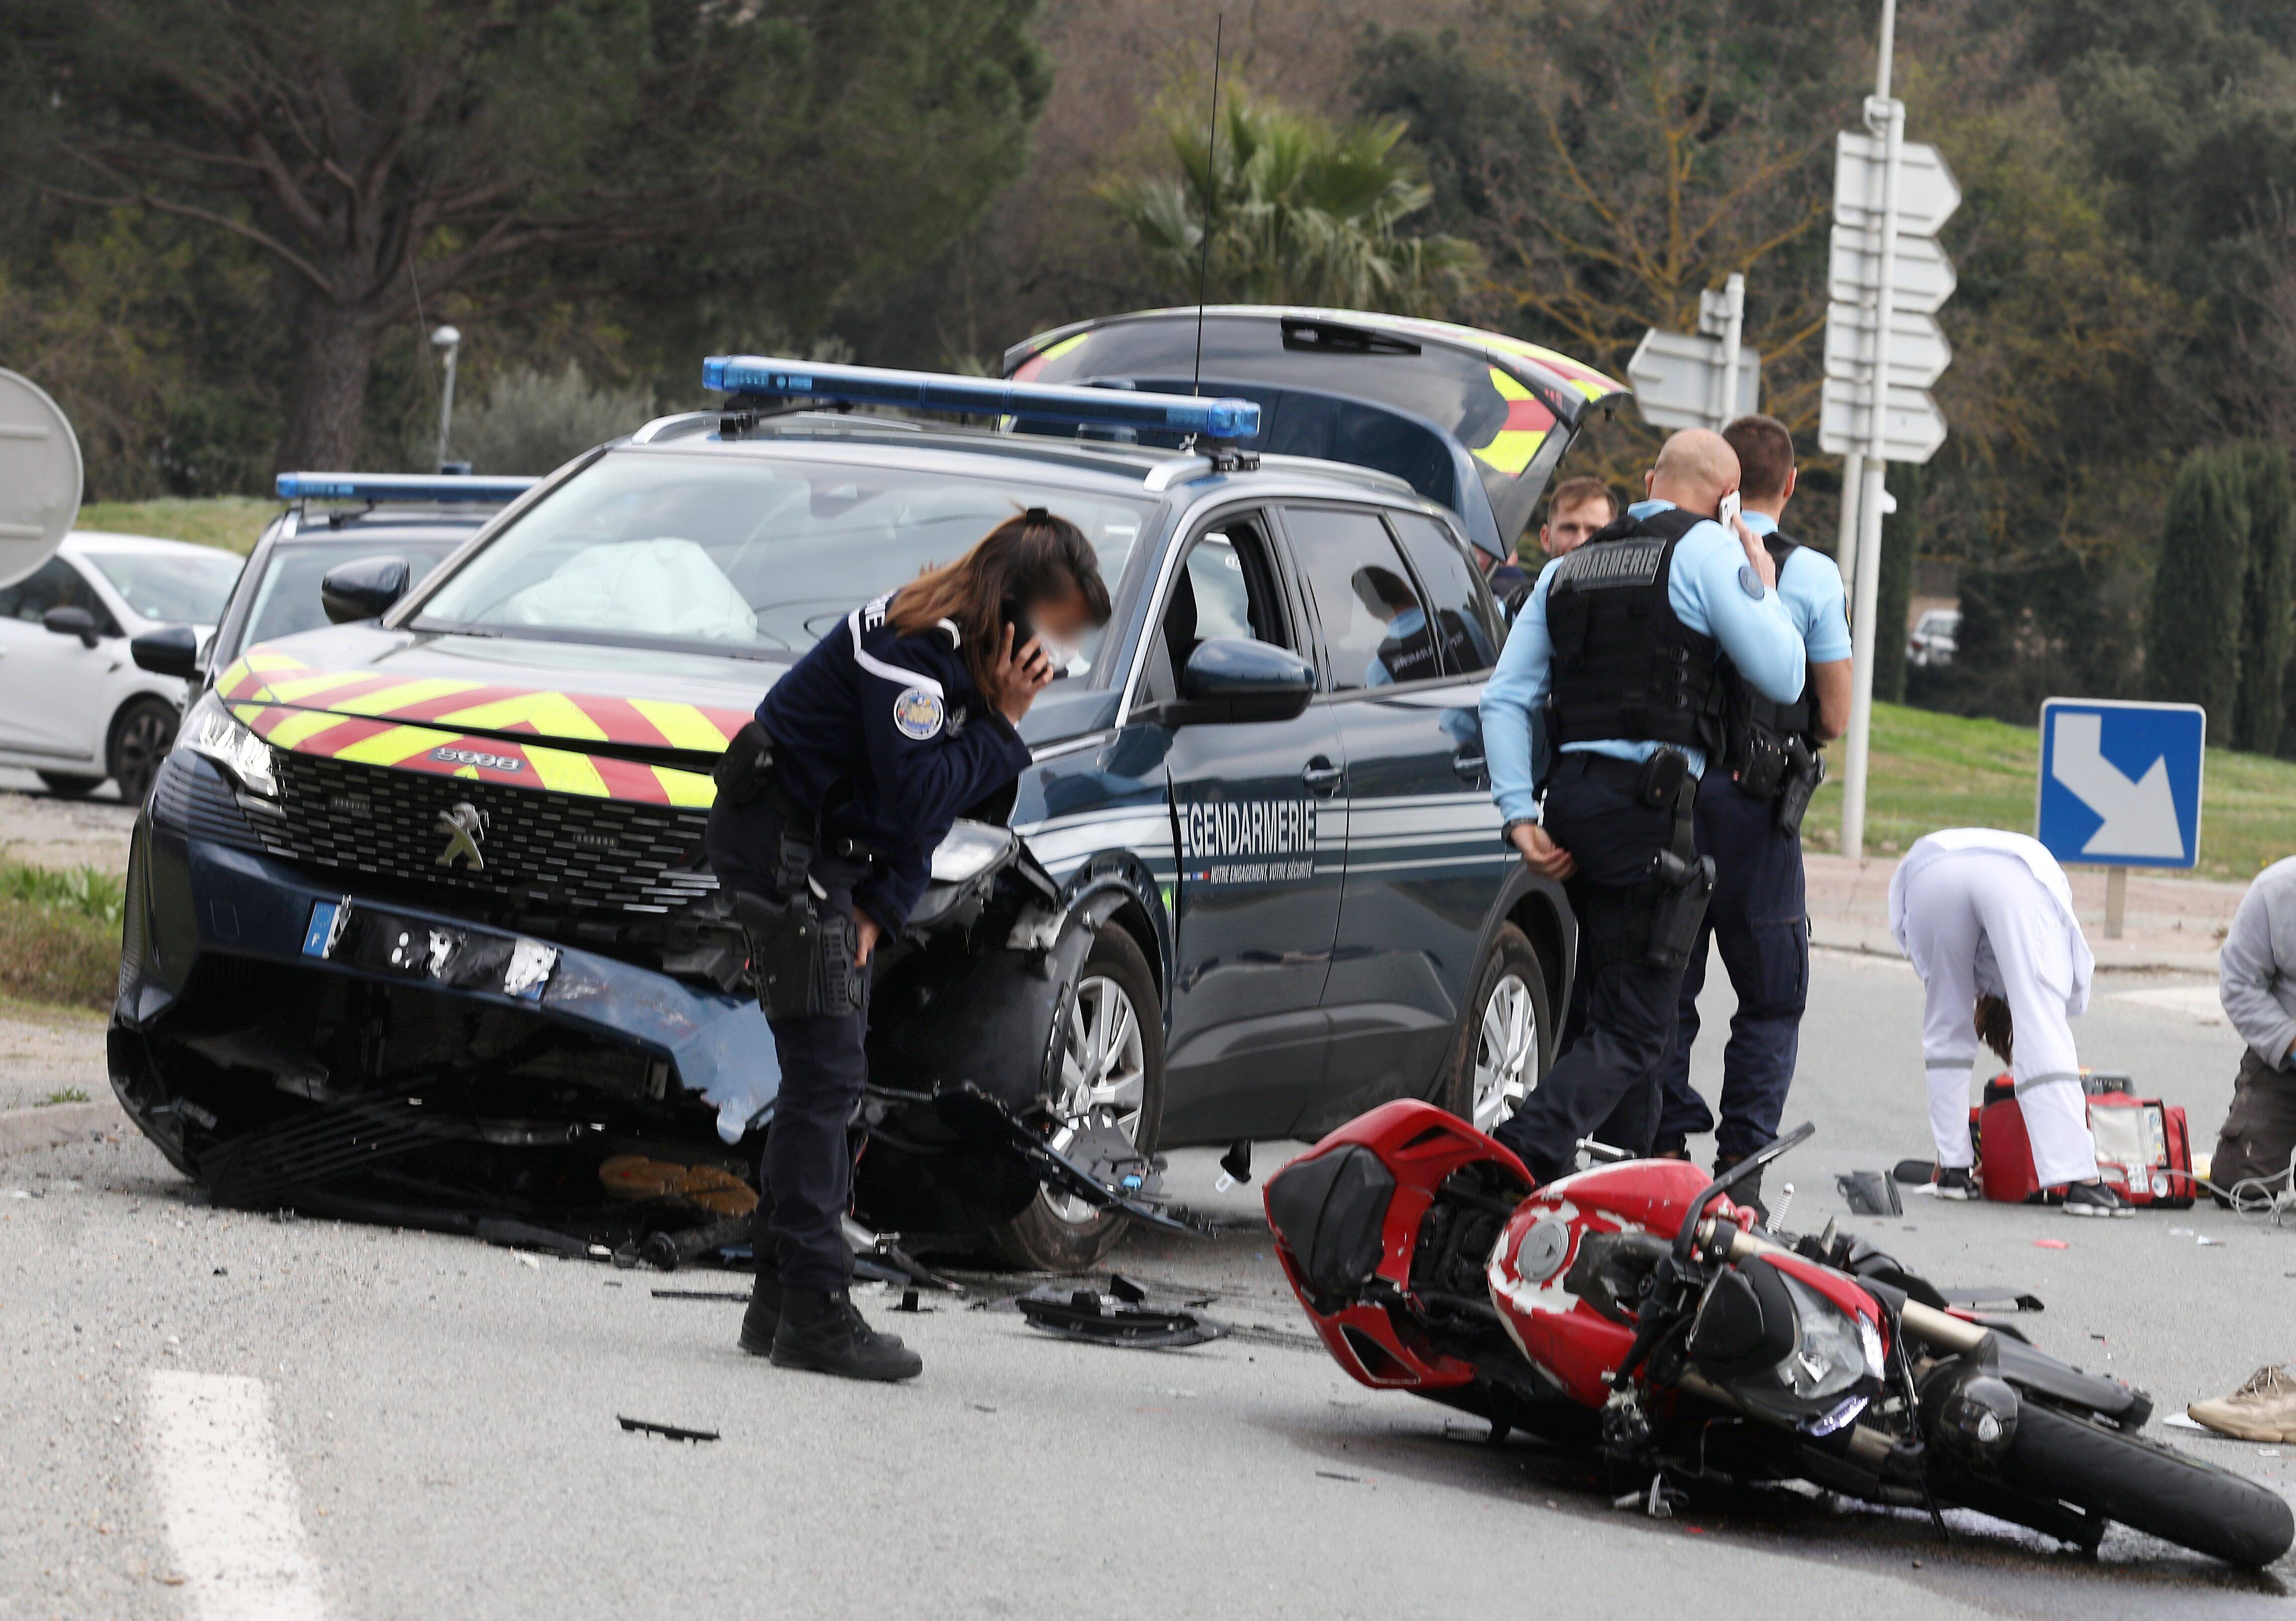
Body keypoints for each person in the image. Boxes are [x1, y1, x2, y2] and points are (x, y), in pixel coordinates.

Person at [708, 509, 1112, 1379]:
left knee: (826, 1074)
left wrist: (878, 909)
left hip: (827, 860)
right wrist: (1002, 723)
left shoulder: (958, 658)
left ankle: (777, 1300)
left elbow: (924, 820)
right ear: (1012, 612)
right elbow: (916, 792)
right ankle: (815, 1309)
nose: (1059, 661)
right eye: (1058, 635)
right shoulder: (913, 652)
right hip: (779, 851)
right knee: (828, 1078)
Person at [1479, 428, 1806, 1184]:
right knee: (1636, 1029)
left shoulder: (1567, 566)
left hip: (1568, 807)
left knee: (1599, 1008)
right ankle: (1514, 1156)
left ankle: (1610, 1188)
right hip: (1649, 812)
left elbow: (1505, 696)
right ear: (1727, 500)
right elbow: (1783, 674)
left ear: (1650, 478)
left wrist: (1515, 812)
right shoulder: (1706, 552)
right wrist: (1761, 579)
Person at [1654, 416, 1853, 1209]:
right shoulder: (1808, 572)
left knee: (1666, 987)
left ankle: (1660, 1154)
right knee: (1769, 996)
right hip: (1756, 814)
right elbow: (1831, 715)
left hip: (1667, 800)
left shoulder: (1676, 556)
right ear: (1791, 483)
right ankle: (1738, 1175)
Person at [1886, 828, 2131, 1216]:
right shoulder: (2003, 981)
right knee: (2040, 1025)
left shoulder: (1984, 979)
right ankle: (2080, 1181)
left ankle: (1952, 1170)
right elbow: (2049, 1018)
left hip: (1930, 870)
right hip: (2013, 874)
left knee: (1945, 1025)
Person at [2210, 853, 2296, 1200]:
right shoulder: (2276, 890)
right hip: (2283, 1059)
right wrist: (2289, 1041)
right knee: (2242, 1186)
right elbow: (2238, 983)